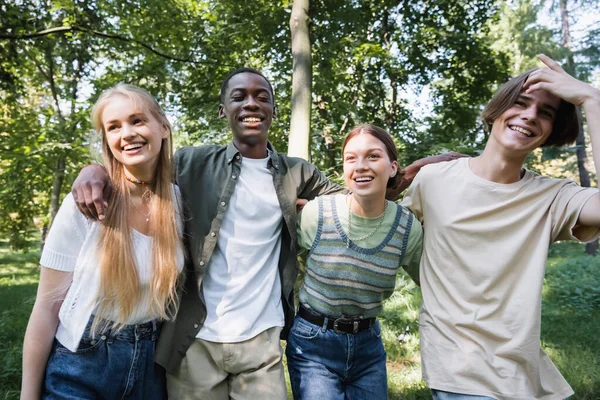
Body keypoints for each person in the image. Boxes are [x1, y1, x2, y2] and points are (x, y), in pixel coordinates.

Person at [71, 68, 458, 399]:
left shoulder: (298, 173)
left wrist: (418, 169)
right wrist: (95, 171)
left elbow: (361, 195)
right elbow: (138, 167)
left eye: (262, 96)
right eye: (239, 96)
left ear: (274, 109)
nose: (251, 103)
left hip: (262, 339)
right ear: (224, 109)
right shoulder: (190, 162)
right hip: (195, 337)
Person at [402, 54, 600, 400]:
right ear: (495, 111)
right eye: (521, 103)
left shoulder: (551, 196)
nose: (530, 116)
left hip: (523, 375)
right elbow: (386, 232)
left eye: (546, 113)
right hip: (460, 372)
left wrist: (591, 99)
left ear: (551, 132)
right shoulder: (432, 179)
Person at [21, 84, 184, 399]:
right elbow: (46, 306)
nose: (127, 133)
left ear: (163, 128)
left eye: (137, 121)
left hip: (152, 367)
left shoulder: (180, 201)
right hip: (83, 364)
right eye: (114, 127)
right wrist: (28, 396)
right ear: (107, 139)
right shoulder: (86, 203)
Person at [286, 124, 423, 399]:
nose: (360, 166)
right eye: (351, 158)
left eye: (373, 156)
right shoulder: (317, 214)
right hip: (313, 343)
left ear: (393, 167)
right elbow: (280, 261)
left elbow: (432, 281)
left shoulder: (407, 227)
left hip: (368, 346)